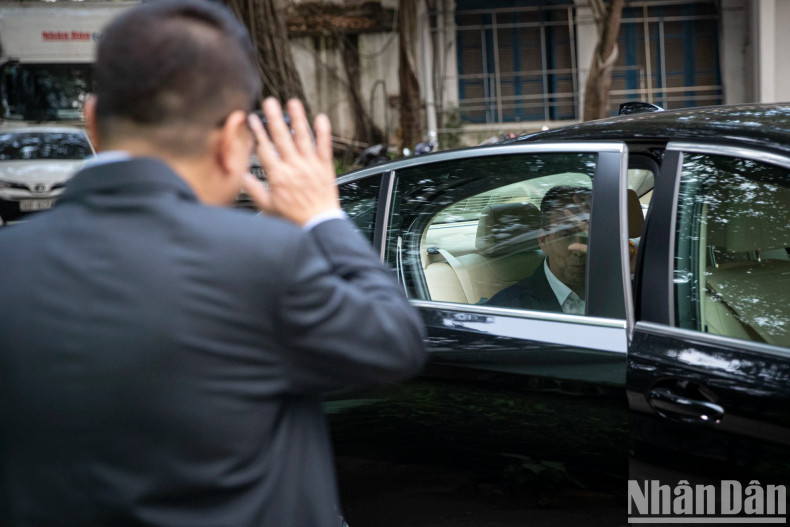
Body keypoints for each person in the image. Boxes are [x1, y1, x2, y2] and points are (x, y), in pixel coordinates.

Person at [0, 1, 426, 526]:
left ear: (91, 120)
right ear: (230, 141)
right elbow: (394, 343)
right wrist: (323, 220)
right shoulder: (265, 258)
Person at [487, 185, 591, 314]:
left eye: (589, 234)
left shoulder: (619, 285)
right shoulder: (510, 308)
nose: (579, 248)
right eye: (565, 235)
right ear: (543, 241)